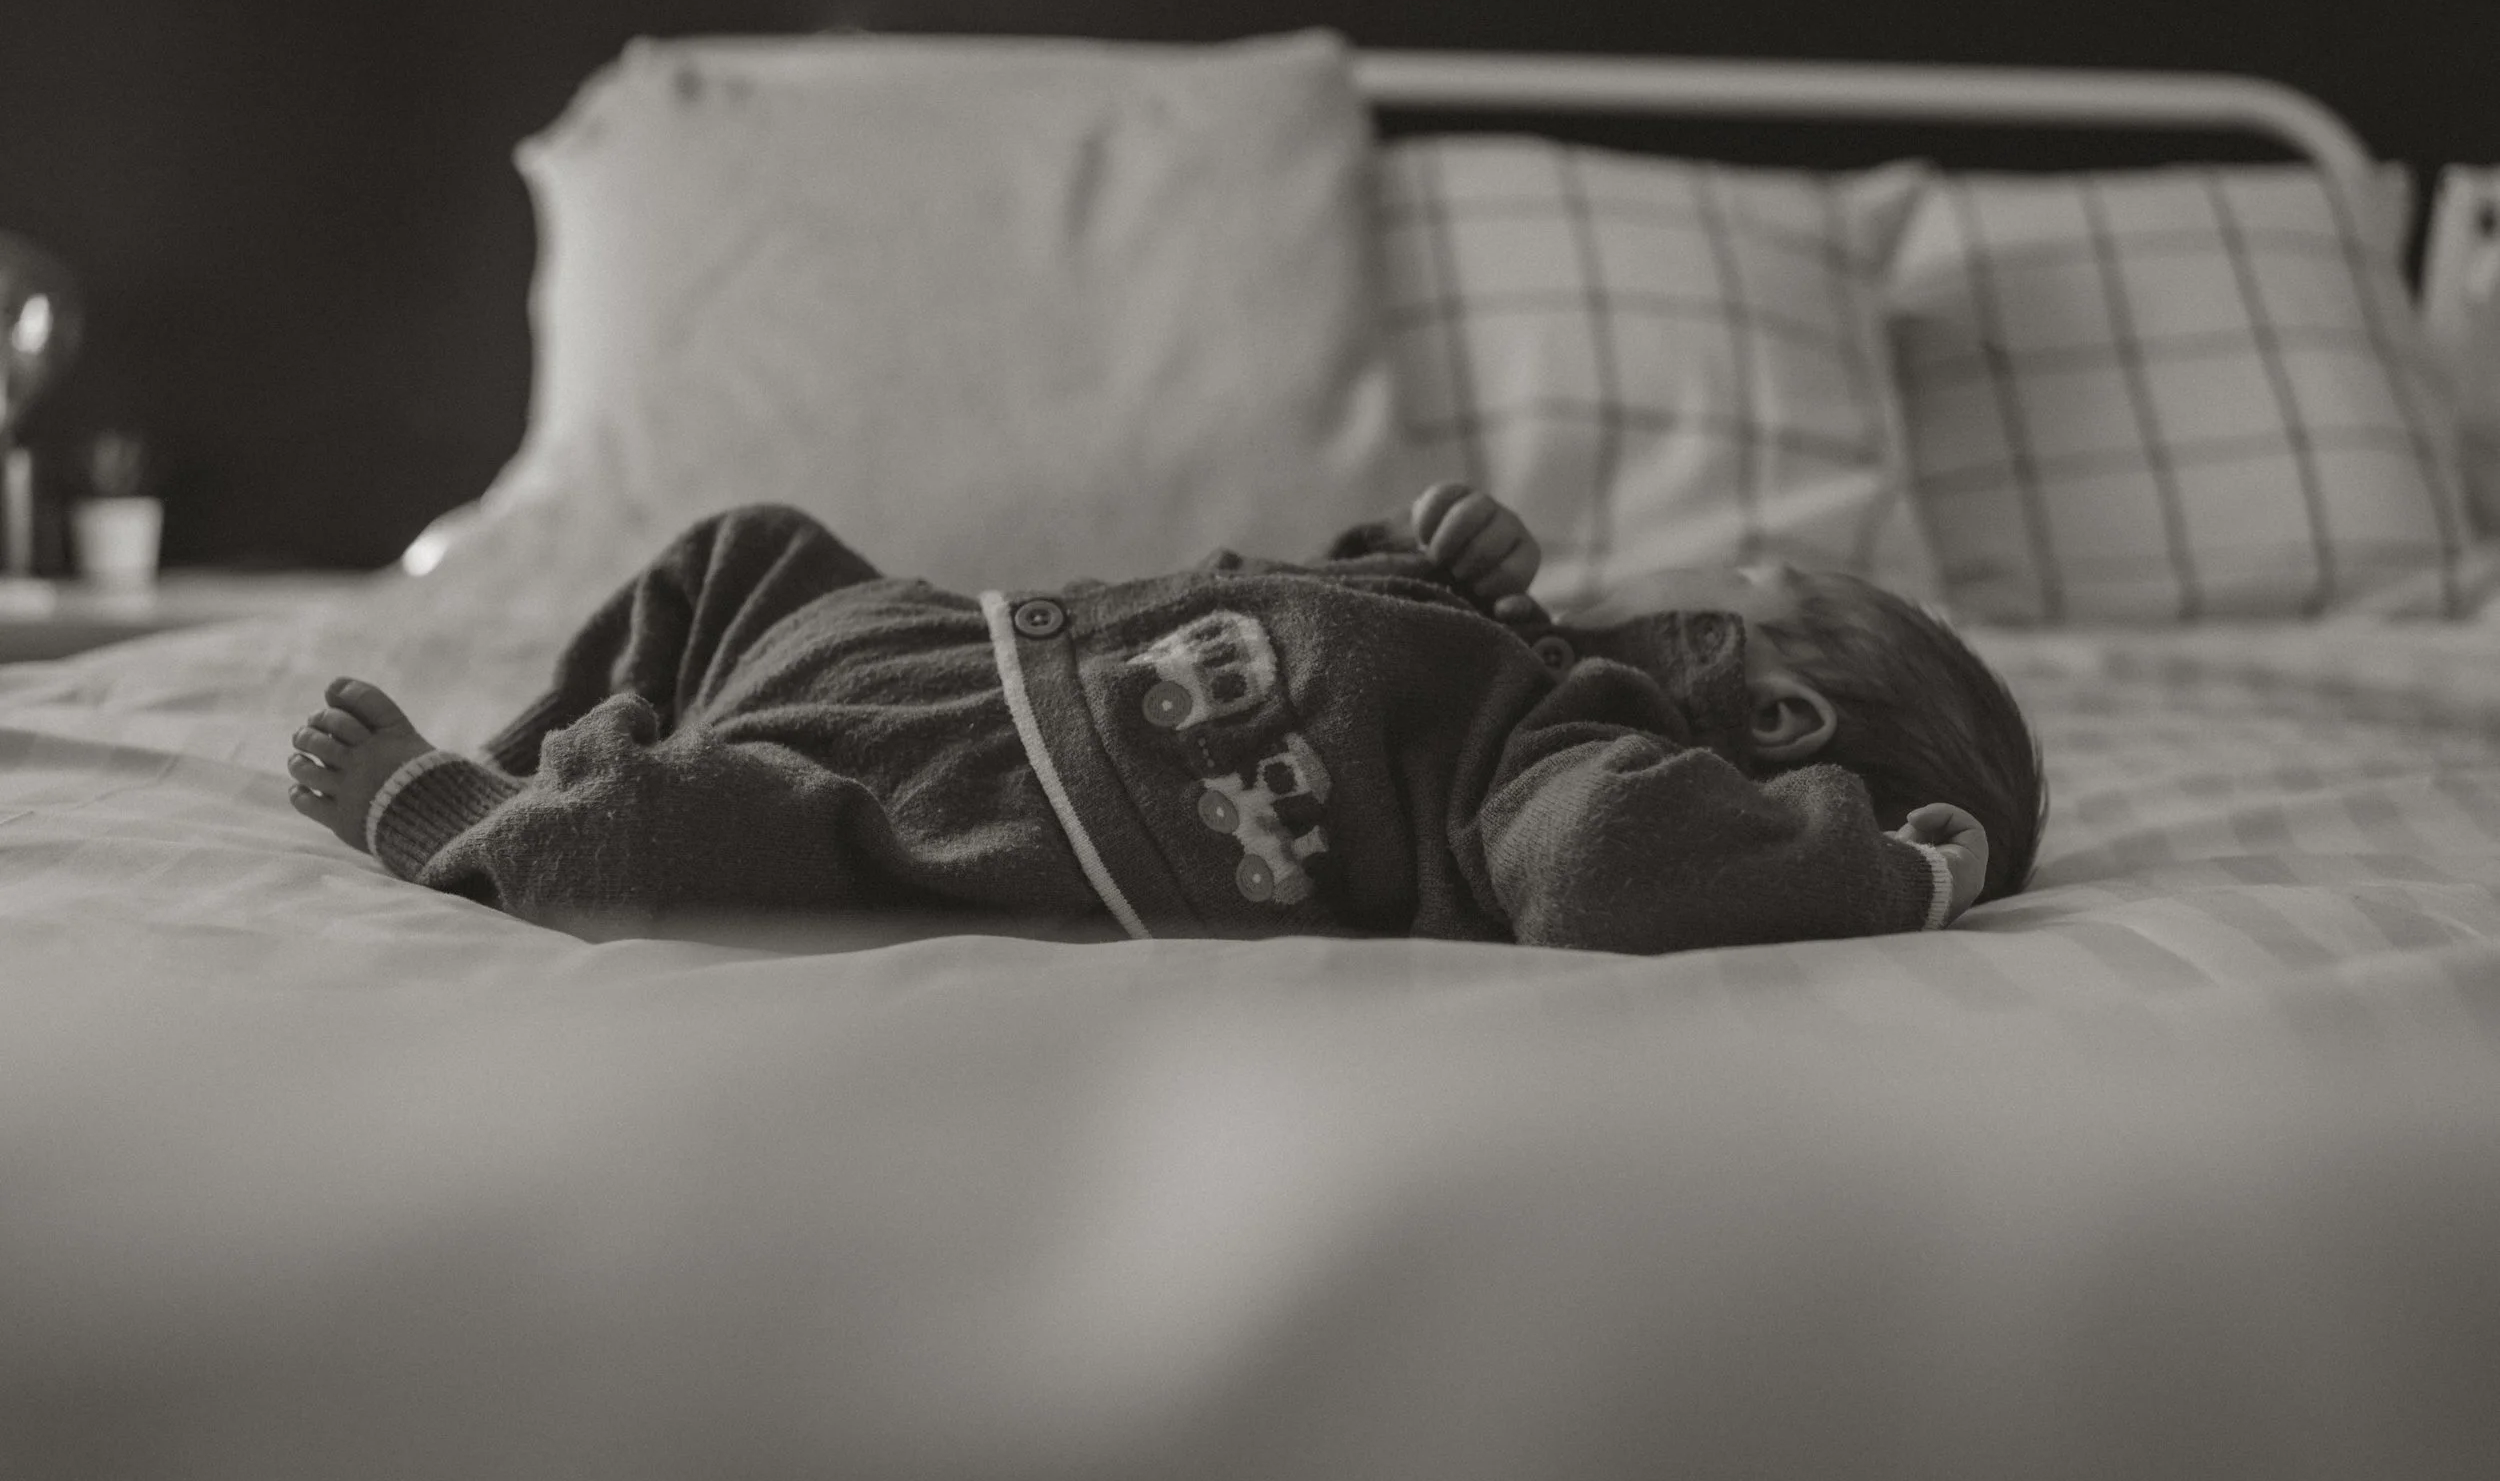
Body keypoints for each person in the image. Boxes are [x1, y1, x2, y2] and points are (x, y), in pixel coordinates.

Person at [286, 485, 2043, 953]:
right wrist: (1422, 559)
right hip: (944, 639)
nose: (1670, 607)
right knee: (735, 553)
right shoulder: (1516, 658)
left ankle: (473, 818)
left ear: (1779, 713)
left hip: (992, 774)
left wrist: (1897, 871)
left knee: (711, 822)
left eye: (1723, 629)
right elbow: (1322, 635)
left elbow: (1601, 869)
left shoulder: (1571, 749)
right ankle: (533, 744)